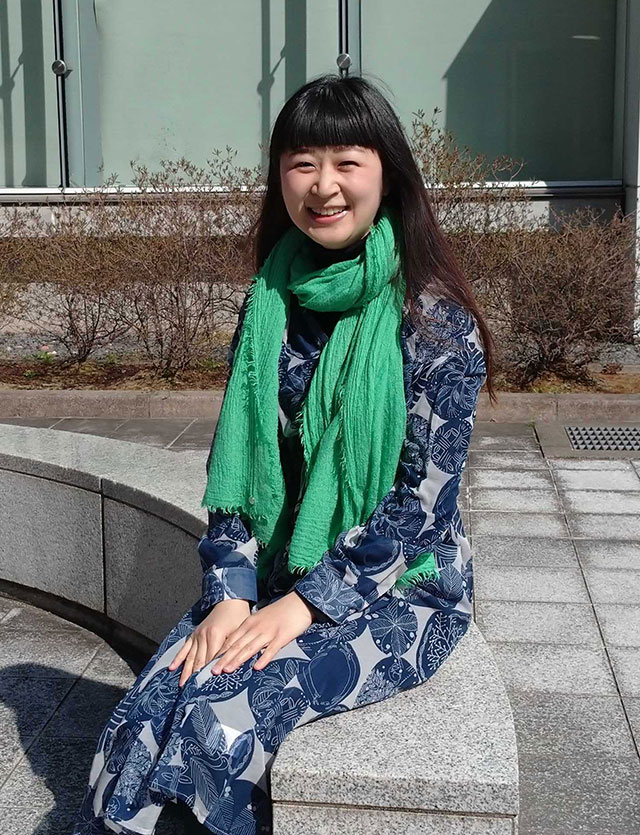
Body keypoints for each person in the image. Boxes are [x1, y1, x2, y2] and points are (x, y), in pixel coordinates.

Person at [72, 73, 496, 835]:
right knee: (142, 716)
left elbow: (419, 512)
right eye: (303, 163)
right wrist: (231, 590)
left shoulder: (436, 324)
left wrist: (303, 606)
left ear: (388, 175)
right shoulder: (269, 298)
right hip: (276, 568)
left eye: (346, 162)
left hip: (401, 591)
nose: (323, 185)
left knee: (219, 724)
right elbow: (236, 471)